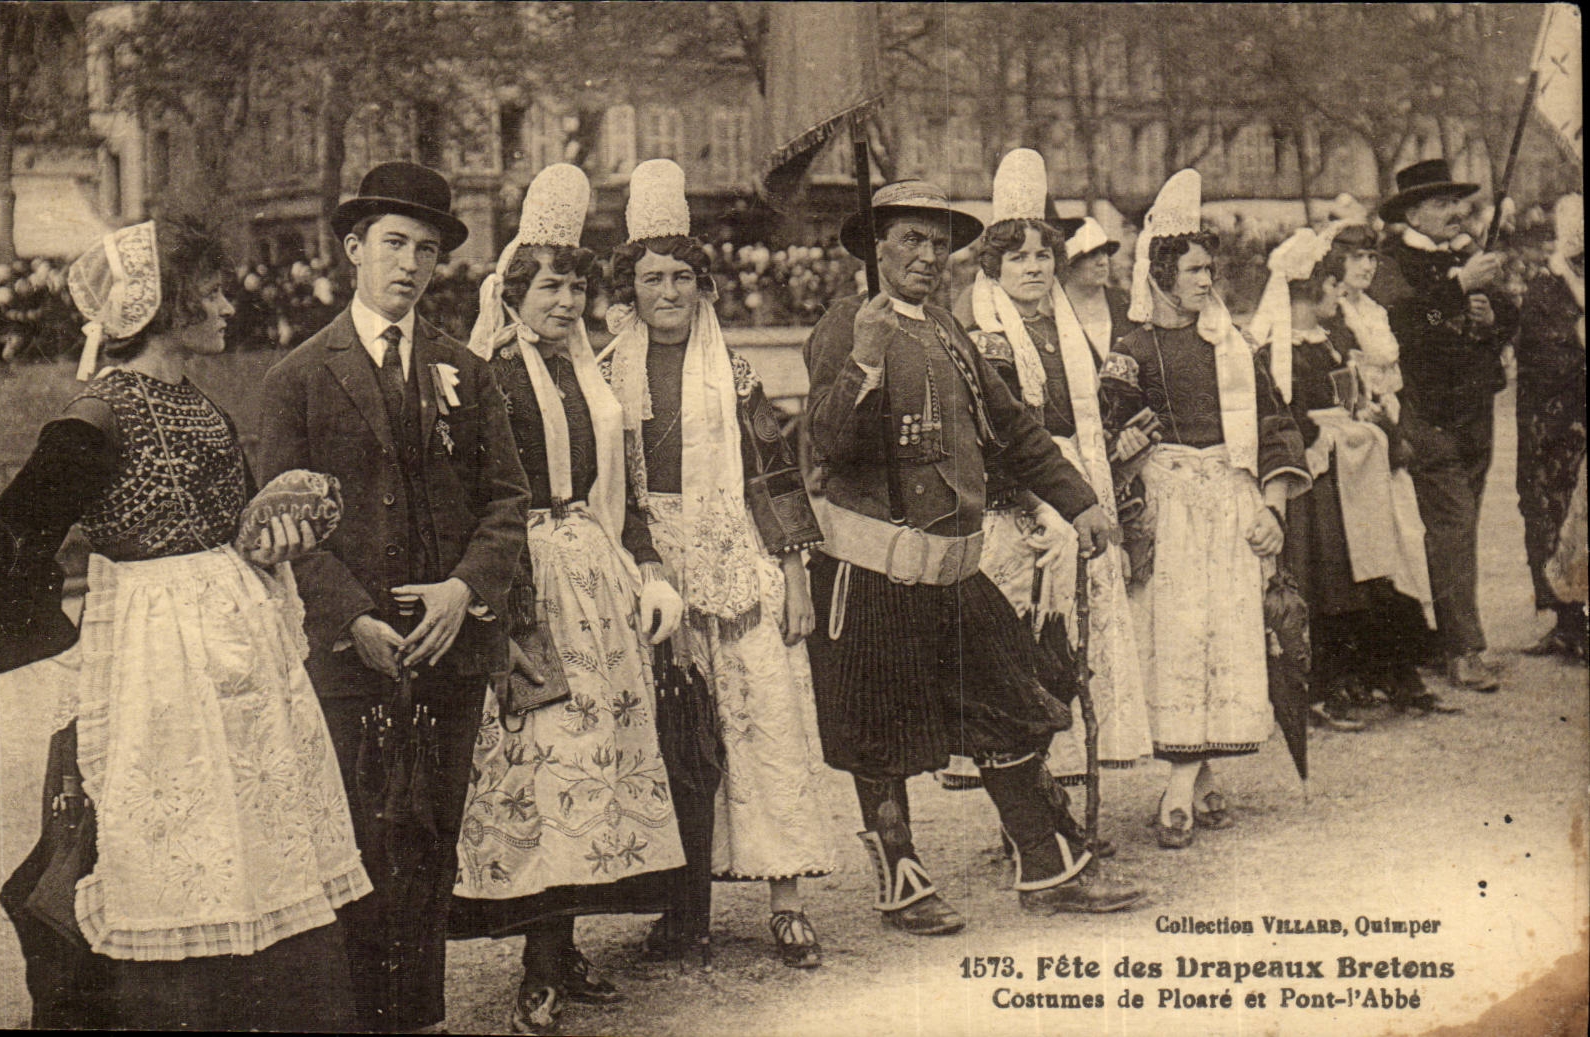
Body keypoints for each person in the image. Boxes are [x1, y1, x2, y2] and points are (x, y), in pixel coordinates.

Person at [0, 218, 369, 1030]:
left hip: (238, 646)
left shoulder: (198, 401)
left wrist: (274, 541)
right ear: (164, 305)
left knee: (254, 830)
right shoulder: (96, 415)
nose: (226, 306)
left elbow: (237, 522)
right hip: (157, 655)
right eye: (211, 292)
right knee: (177, 836)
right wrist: (65, 658)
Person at [802, 178, 1144, 935]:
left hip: (954, 565)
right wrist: (861, 363)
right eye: (911, 241)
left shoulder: (950, 331)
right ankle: (903, 882)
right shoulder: (843, 325)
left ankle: (1046, 868)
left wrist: (1080, 499)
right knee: (879, 731)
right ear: (877, 249)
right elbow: (824, 442)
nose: (929, 256)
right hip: (871, 568)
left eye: (938, 242)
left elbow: (1015, 430)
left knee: (1011, 706)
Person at [256, 162, 533, 1033]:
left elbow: (507, 502)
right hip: (350, 657)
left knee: (432, 837)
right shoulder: (298, 377)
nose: (410, 264)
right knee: (355, 837)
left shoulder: (465, 369)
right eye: (393, 243)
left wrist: (463, 589)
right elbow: (279, 530)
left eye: (427, 249)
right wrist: (352, 618)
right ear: (352, 250)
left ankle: (421, 1017)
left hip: (446, 650)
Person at [451, 163, 688, 1036]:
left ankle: (561, 952)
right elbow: (471, 492)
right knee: (550, 765)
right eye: (551, 285)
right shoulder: (485, 374)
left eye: (577, 287)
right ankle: (539, 966)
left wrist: (647, 570)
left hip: (594, 579)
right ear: (514, 290)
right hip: (527, 586)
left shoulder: (590, 374)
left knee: (596, 771)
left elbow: (620, 489)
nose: (566, 301)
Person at [601, 160, 835, 968]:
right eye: (651, 278)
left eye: (681, 278)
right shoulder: (604, 379)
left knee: (763, 716)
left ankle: (787, 899)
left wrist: (796, 574)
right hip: (650, 567)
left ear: (704, 285)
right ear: (628, 288)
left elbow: (774, 476)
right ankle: (680, 903)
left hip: (736, 558)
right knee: (675, 735)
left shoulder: (733, 375)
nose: (666, 293)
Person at [1110, 169, 1310, 850]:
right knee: (1177, 636)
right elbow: (1106, 436)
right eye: (1194, 270)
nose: (1206, 282)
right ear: (1162, 274)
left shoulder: (1232, 346)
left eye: (1210, 270)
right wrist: (1124, 444)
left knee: (1222, 633)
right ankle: (1183, 781)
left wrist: (1273, 507)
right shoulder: (1129, 352)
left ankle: (1189, 782)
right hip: (1167, 510)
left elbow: (1278, 427)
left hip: (1228, 503)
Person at [959, 149, 1152, 791]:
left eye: (1043, 256)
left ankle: (1067, 780)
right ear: (995, 265)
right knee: (1027, 641)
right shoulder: (985, 330)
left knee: (1080, 639)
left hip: (1074, 483)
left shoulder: (1063, 326)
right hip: (1018, 500)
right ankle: (1027, 791)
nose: (1034, 268)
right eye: (1018, 257)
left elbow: (1084, 410)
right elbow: (999, 430)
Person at [1252, 223, 1446, 730]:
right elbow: (1280, 416)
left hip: (1351, 478)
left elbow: (1348, 398)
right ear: (1312, 289)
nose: (1341, 294)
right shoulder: (1277, 349)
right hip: (1314, 482)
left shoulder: (1329, 340)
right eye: (1333, 287)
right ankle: (1316, 687)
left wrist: (1362, 417)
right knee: (1322, 577)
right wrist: (1327, 430)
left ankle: (1370, 674)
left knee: (1367, 572)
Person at [1372, 159, 1519, 691]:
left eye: (1457, 202)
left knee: (1464, 525)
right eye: (1441, 203)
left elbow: (1507, 312)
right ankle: (1461, 650)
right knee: (1452, 525)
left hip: (1475, 407)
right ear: (1412, 212)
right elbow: (1406, 326)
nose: (1456, 213)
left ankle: (1456, 638)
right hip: (1427, 412)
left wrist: (1491, 319)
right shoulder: (1391, 262)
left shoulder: (1465, 254)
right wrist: (1459, 289)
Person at [1515, 193, 1586, 662]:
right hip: (1557, 422)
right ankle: (1567, 618)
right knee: (1552, 511)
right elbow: (1543, 354)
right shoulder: (1547, 286)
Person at [1056, 215, 1135, 359]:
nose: (1103, 261)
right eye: (1092, 255)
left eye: (1104, 252)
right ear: (1069, 264)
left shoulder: (1126, 302)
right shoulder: (1053, 310)